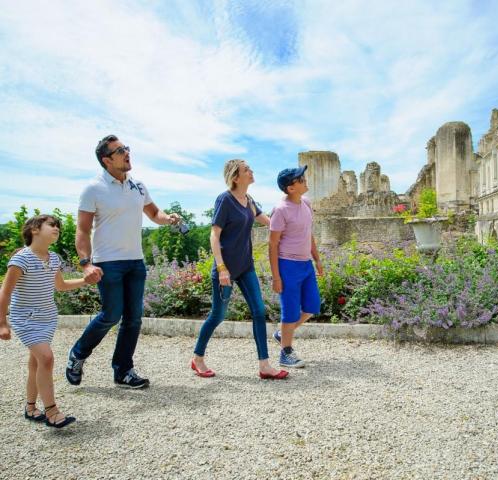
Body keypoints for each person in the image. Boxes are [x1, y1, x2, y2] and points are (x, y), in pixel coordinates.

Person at [65, 135, 181, 389]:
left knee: (134, 319)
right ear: (107, 160)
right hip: (108, 262)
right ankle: (78, 354)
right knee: (111, 315)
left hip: (135, 262)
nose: (127, 153)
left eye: (126, 148)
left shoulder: (138, 185)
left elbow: (153, 213)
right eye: (120, 151)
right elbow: (82, 230)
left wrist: (168, 218)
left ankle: (123, 370)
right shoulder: (93, 189)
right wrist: (86, 263)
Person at [192, 159, 288, 380]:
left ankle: (264, 365)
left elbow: (268, 221)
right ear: (235, 177)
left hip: (245, 267)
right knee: (217, 316)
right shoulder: (224, 200)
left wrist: (289, 223)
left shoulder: (249, 200)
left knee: (259, 312)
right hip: (225, 269)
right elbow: (214, 235)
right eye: (247, 170)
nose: (251, 171)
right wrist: (221, 268)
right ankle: (197, 358)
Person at [0, 215, 97, 428]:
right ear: (34, 229)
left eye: (58, 226)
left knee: (36, 363)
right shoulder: (20, 260)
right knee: (46, 358)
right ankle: (52, 411)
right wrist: (2, 323)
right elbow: (4, 294)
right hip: (25, 318)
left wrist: (85, 280)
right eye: (51, 225)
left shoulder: (53, 259)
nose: (57, 228)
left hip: (47, 317)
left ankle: (30, 407)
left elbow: (60, 286)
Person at [268, 166, 323, 368]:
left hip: (305, 263)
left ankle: (282, 334)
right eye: (300, 179)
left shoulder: (306, 203)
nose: (305, 180)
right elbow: (272, 244)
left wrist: (317, 259)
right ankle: (286, 352)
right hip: (287, 264)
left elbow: (308, 234)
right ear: (291, 188)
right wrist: (276, 277)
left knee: (312, 306)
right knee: (290, 311)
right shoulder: (280, 210)